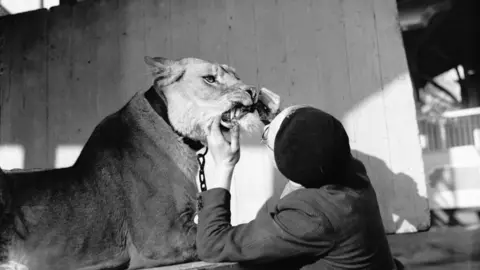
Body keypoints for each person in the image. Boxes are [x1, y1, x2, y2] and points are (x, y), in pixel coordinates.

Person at [195, 105, 403, 269]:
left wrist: (225, 164)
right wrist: (281, 124)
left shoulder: (312, 217)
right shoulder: (350, 170)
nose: (265, 128)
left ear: (283, 164)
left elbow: (213, 245)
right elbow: (309, 146)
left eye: (265, 136)